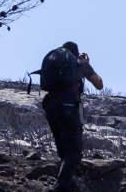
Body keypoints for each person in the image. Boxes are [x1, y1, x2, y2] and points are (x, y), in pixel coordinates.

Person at [42, 41, 103, 191]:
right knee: (74, 151)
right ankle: (61, 186)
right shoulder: (79, 63)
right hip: (69, 106)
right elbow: (99, 84)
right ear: (75, 53)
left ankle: (68, 183)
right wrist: (86, 65)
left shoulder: (54, 62)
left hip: (50, 106)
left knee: (63, 149)